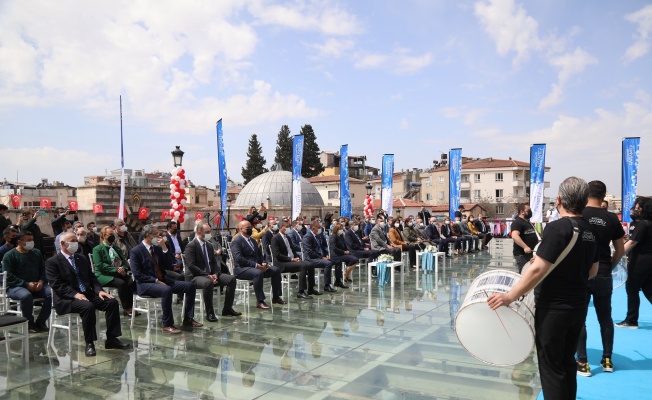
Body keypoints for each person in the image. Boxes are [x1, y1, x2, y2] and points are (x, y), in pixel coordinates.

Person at [488, 177, 598, 400]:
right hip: (578, 305)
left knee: (551, 367)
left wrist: (511, 295)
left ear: (558, 200)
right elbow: (593, 271)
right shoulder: (590, 230)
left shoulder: (558, 228)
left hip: (554, 307)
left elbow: (538, 269)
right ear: (585, 201)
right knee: (567, 361)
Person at [46, 232, 131, 356]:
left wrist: (99, 291)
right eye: (72, 240)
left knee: (112, 302)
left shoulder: (81, 258)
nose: (76, 243)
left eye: (76, 240)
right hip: (67, 298)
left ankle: (112, 339)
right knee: (88, 307)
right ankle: (90, 342)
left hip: (87, 293)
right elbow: (57, 285)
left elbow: (92, 278)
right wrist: (75, 294)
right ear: (63, 243)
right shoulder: (52, 262)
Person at [574, 181, 625, 376]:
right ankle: (607, 359)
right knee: (605, 318)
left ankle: (583, 363)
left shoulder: (580, 215)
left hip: (582, 273)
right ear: (604, 196)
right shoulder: (612, 218)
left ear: (586, 194)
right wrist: (609, 267)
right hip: (603, 272)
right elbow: (619, 249)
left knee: (580, 318)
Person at [130, 224, 201, 334]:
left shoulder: (157, 249)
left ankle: (188, 318)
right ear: (148, 235)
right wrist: (155, 281)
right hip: (145, 284)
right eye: (156, 234)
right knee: (167, 290)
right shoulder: (136, 251)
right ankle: (167, 324)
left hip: (162, 280)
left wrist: (164, 248)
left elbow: (168, 265)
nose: (158, 237)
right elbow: (138, 274)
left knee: (190, 286)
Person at [184, 223, 240, 321]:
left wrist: (215, 273)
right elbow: (191, 265)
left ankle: (227, 308)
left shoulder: (209, 246)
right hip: (195, 276)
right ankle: (210, 313)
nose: (210, 234)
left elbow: (214, 262)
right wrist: (207, 275)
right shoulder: (191, 246)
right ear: (199, 232)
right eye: (207, 232)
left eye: (210, 231)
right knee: (207, 282)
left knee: (231, 279)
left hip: (210, 274)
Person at [3, 231, 52, 332]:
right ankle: (30, 323)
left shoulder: (36, 253)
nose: (31, 242)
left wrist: (41, 281)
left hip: (37, 284)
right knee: (26, 296)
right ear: (20, 242)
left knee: (51, 293)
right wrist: (25, 284)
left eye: (32, 240)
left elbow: (43, 269)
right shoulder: (9, 255)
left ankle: (41, 322)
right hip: (15, 287)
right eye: (28, 240)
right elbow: (8, 275)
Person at [616, 197, 652, 329]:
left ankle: (631, 320)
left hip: (640, 261)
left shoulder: (643, 224)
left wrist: (616, 255)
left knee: (632, 288)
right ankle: (631, 319)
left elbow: (632, 242)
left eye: (638, 207)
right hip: (649, 260)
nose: (635, 209)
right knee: (648, 289)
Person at [231, 220, 285, 309]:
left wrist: (264, 263)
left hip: (256, 267)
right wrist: (256, 265)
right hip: (241, 269)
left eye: (251, 227)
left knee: (275, 270)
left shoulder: (252, 240)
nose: (250, 229)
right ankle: (260, 301)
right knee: (258, 273)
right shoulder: (236, 241)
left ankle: (276, 297)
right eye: (248, 228)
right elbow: (238, 258)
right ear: (241, 229)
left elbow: (259, 254)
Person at [92, 226, 136, 317]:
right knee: (121, 283)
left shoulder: (116, 248)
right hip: (104, 275)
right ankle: (126, 308)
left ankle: (131, 306)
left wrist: (123, 268)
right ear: (104, 235)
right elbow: (99, 264)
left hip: (119, 272)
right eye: (110, 234)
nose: (113, 236)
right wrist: (116, 269)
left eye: (113, 234)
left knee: (130, 281)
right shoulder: (97, 249)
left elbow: (123, 261)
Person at [271, 219, 319, 299]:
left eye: (288, 226)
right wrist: (291, 259)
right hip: (282, 263)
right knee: (303, 266)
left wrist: (297, 257)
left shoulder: (288, 238)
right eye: (286, 227)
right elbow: (277, 255)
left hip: (292, 261)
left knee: (310, 264)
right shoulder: (275, 238)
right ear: (280, 227)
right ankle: (301, 291)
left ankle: (311, 288)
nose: (288, 228)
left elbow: (293, 250)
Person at [302, 221, 337, 292]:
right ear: (313, 228)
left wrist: (326, 255)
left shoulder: (317, 236)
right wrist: (321, 257)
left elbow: (322, 247)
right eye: (318, 228)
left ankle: (338, 280)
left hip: (319, 257)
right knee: (328, 263)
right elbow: (310, 252)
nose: (320, 229)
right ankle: (327, 285)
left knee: (334, 261)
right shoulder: (308, 237)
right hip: (310, 259)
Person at [511, 203, 539, 273]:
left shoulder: (527, 222)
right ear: (522, 211)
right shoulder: (518, 222)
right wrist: (525, 247)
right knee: (524, 273)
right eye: (528, 210)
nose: (530, 212)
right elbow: (515, 236)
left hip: (530, 253)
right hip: (522, 254)